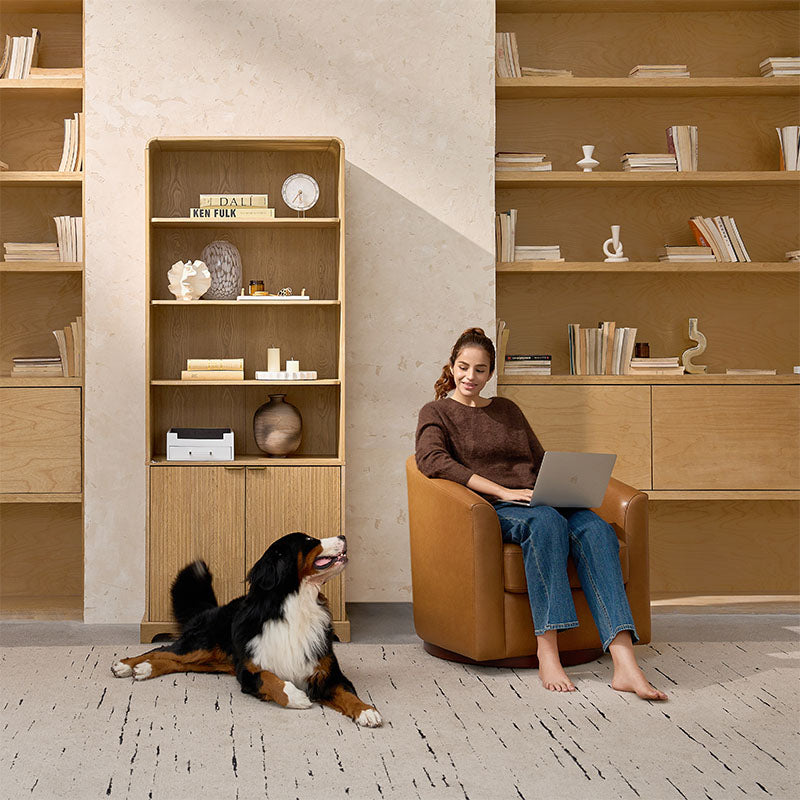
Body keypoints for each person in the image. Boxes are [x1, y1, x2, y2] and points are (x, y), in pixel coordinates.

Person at [415, 327, 667, 700]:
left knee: (597, 530)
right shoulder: (436, 412)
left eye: (480, 370)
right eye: (463, 367)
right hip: (496, 507)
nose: (470, 377)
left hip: (538, 498)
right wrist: (503, 491)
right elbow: (431, 460)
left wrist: (566, 484)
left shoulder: (507, 410)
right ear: (451, 367)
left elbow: (539, 459)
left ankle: (624, 661)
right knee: (546, 522)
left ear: (491, 372)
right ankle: (547, 649)